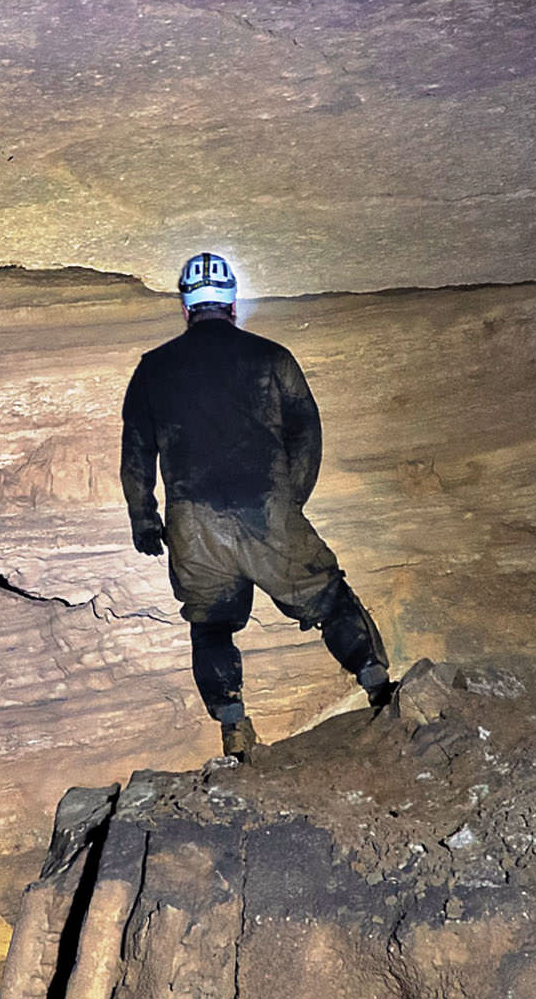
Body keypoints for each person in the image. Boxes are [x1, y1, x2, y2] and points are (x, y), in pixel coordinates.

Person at [120, 250, 396, 762]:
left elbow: (136, 451)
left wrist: (144, 517)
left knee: (210, 626)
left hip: (195, 526)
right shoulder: (271, 358)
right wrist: (289, 499)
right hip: (266, 511)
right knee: (328, 599)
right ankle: (380, 688)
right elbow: (306, 430)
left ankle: (234, 729)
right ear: (232, 306)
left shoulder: (152, 370)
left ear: (186, 309)